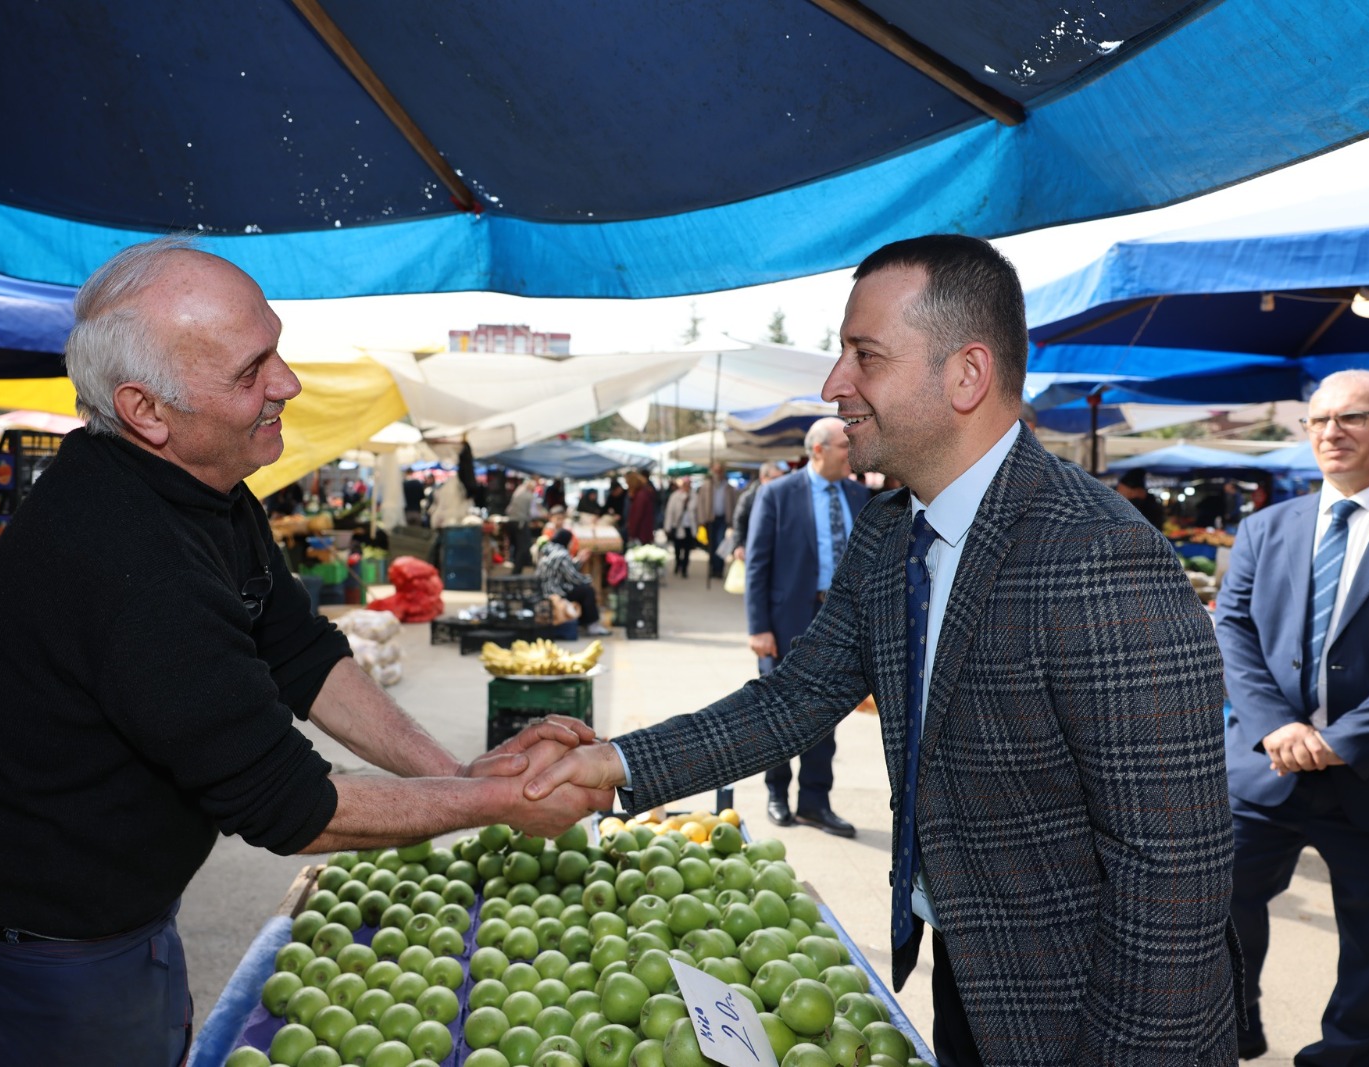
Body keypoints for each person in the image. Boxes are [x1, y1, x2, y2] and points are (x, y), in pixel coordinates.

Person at [528, 234, 1240, 1066]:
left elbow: (1172, 867)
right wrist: (610, 763)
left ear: (966, 375)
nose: (834, 385)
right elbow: (794, 698)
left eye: (865, 356)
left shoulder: (1096, 555)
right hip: (968, 969)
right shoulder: (889, 529)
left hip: (1087, 1004)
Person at [0, 237, 606, 1066]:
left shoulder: (202, 493)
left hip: (123, 920)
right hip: (43, 957)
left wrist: (454, 773)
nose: (287, 382)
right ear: (145, 410)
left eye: (276, 348)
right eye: (251, 371)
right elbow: (294, 807)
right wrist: (500, 803)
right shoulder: (121, 558)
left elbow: (302, 653)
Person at [1214, 368, 1369, 1064]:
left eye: (1353, 418)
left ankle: (1345, 1052)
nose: (1331, 432)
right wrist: (1276, 725)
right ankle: (1230, 1022)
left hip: (1366, 775)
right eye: (1318, 420)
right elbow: (1232, 632)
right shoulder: (1264, 527)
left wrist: (1343, 738)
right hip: (1263, 765)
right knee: (1213, 906)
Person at [746, 418, 868, 837]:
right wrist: (759, 627)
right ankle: (777, 793)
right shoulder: (777, 494)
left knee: (825, 715)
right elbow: (757, 565)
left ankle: (815, 802)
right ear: (818, 450)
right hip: (787, 623)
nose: (851, 453)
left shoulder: (859, 494)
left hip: (840, 623)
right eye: (843, 446)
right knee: (779, 712)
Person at [536, 527, 611, 636]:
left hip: (546, 590)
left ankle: (585, 624)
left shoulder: (547, 550)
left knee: (582, 590)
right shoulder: (561, 554)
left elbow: (564, 569)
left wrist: (579, 560)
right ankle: (592, 625)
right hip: (556, 593)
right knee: (587, 591)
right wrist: (588, 580)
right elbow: (573, 578)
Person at [693, 461, 741, 579]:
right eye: (715, 470)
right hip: (710, 519)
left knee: (720, 543)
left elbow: (734, 504)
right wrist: (702, 519)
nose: (717, 473)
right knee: (712, 544)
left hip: (723, 519)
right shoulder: (706, 486)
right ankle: (713, 567)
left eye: (719, 471)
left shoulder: (729, 487)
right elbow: (701, 503)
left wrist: (733, 520)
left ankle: (719, 568)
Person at [730, 461, 785, 563]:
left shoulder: (785, 498)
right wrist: (738, 546)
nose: (779, 483)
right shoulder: (748, 498)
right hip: (752, 550)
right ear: (763, 478)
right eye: (774, 479)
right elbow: (739, 523)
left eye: (781, 479)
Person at [662, 475, 698, 578]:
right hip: (678, 526)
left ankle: (685, 568)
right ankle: (678, 564)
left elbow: (697, 512)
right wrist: (667, 527)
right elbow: (669, 512)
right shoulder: (675, 496)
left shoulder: (694, 496)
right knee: (677, 548)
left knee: (687, 549)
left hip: (689, 527)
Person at [505, 476, 538, 573]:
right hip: (520, 523)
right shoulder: (529, 496)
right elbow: (533, 513)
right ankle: (517, 570)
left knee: (515, 545)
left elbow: (508, 509)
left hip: (511, 522)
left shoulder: (517, 492)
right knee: (523, 546)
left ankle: (515, 566)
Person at [623, 470, 656, 550]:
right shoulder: (643, 493)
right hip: (644, 533)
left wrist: (632, 533)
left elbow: (637, 516)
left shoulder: (641, 496)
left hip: (641, 534)